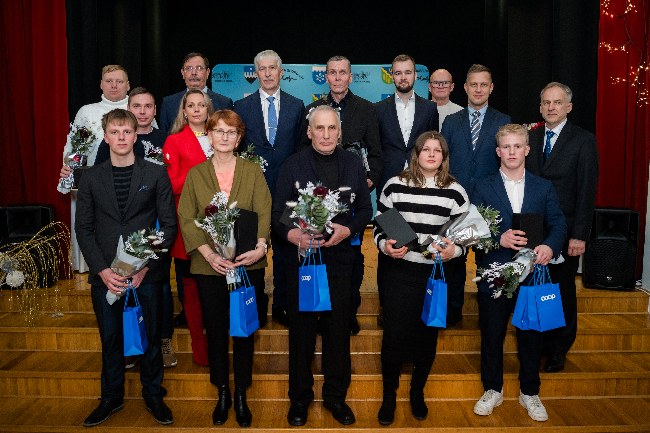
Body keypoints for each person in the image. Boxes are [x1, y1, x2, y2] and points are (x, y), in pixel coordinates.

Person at [271, 105, 372, 426]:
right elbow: (277, 214)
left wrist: (348, 229)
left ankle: (336, 397)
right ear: (309, 131)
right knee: (301, 333)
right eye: (320, 128)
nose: (326, 135)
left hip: (340, 260)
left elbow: (365, 210)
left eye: (332, 128)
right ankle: (300, 399)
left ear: (339, 132)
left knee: (337, 331)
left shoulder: (353, 164)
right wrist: (293, 235)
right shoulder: (292, 165)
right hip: (302, 263)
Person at [75, 109, 177, 427]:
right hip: (105, 276)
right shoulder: (91, 177)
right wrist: (103, 271)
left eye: (127, 132)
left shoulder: (156, 174)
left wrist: (143, 268)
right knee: (110, 339)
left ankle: (153, 395)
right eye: (115, 132)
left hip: (146, 276)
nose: (121, 137)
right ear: (106, 137)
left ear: (136, 136)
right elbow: (84, 229)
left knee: (150, 338)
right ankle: (111, 397)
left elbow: (169, 226)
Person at [178, 110, 272, 428]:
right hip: (210, 268)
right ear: (209, 135)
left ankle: (242, 393)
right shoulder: (196, 175)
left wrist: (260, 246)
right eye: (218, 131)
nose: (224, 137)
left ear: (239, 138)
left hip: (247, 264)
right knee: (216, 331)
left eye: (231, 132)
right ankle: (222, 392)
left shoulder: (252, 171)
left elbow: (264, 209)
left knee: (244, 331)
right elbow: (187, 217)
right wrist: (208, 254)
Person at [471, 124, 566, 422]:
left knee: (531, 336)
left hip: (532, 275)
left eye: (517, 146)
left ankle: (530, 392)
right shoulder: (482, 186)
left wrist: (549, 246)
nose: (511, 152)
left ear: (526, 149)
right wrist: (497, 239)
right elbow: (470, 231)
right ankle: (492, 389)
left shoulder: (543, 186)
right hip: (494, 271)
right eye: (506, 147)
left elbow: (559, 224)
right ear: (498, 151)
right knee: (492, 334)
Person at [373, 131, 468, 425]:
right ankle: (389, 396)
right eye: (426, 149)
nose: (431, 154)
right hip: (398, 273)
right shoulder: (395, 185)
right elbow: (380, 228)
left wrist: (454, 251)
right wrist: (385, 246)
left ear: (444, 157)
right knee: (393, 336)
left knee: (427, 337)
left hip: (434, 276)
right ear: (416, 153)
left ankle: (417, 392)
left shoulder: (456, 192)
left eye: (437, 150)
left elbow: (465, 238)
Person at [299, 55, 382, 335]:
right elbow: (302, 151)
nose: (337, 77)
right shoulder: (312, 109)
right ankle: (317, 311)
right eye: (332, 73)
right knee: (318, 256)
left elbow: (377, 153)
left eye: (342, 72)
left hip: (351, 200)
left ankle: (348, 312)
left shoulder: (367, 109)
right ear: (326, 77)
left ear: (350, 77)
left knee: (351, 259)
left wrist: (366, 181)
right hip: (317, 201)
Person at [526, 82, 600, 373]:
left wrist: (579, 235)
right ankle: (540, 343)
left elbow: (587, 191)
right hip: (533, 228)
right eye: (546, 102)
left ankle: (559, 348)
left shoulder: (584, 140)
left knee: (562, 290)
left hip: (566, 230)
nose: (551, 107)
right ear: (540, 107)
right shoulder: (530, 137)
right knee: (535, 287)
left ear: (568, 107)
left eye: (557, 102)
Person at [234, 50, 306, 328]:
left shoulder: (297, 106)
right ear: (255, 73)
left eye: (272, 68)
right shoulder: (242, 106)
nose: (267, 73)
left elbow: (300, 149)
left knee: (287, 250)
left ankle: (282, 304)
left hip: (288, 193)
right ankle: (256, 305)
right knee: (251, 249)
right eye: (261, 69)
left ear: (281, 72)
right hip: (253, 192)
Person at [441, 64, 511, 327]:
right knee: (454, 258)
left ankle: (488, 312)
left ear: (491, 88)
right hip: (456, 202)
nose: (478, 89)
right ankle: (453, 309)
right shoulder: (451, 121)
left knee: (487, 257)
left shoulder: (503, 121)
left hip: (489, 203)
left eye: (483, 84)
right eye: (473, 84)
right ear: (465, 88)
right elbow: (443, 162)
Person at [374, 54, 438, 326]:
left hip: (421, 186)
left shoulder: (429, 108)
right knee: (391, 243)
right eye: (398, 73)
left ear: (415, 75)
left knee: (418, 244)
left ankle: (416, 302)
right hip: (390, 188)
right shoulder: (378, 109)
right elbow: (376, 149)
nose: (403, 77)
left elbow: (433, 145)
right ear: (392, 76)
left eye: (408, 72)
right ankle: (387, 305)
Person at [59, 65, 132, 274]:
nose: (114, 85)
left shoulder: (137, 107)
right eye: (109, 81)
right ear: (101, 84)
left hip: (129, 181)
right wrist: (69, 169)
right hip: (94, 183)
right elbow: (75, 147)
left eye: (119, 81)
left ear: (128, 85)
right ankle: (92, 267)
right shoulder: (87, 111)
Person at [162, 89, 215, 367]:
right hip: (189, 224)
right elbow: (169, 184)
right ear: (183, 111)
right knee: (192, 290)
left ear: (208, 109)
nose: (196, 109)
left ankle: (218, 341)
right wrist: (200, 173)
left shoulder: (220, 135)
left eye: (201, 105)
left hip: (220, 223)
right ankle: (198, 343)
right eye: (190, 105)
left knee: (218, 286)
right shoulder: (174, 140)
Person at [159, 52, 233, 133]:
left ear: (207, 73)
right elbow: (163, 137)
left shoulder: (224, 103)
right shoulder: (169, 103)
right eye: (189, 68)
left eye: (199, 68)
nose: (194, 73)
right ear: (183, 73)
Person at [94, 87, 167, 164]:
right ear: (128, 109)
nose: (142, 111)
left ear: (155, 110)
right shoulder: (114, 140)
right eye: (136, 106)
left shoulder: (167, 139)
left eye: (148, 106)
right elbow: (99, 170)